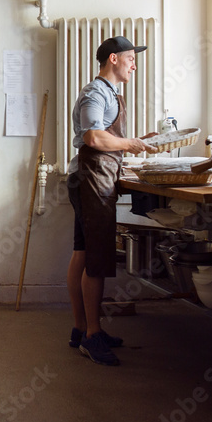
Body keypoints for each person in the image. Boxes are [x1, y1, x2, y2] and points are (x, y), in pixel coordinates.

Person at [66, 36, 156, 366]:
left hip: (91, 179)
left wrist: (137, 142)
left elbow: (106, 136)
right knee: (97, 258)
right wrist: (128, 143)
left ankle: (81, 329)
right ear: (114, 59)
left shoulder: (109, 93)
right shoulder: (96, 92)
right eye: (131, 58)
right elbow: (92, 136)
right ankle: (92, 335)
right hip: (93, 181)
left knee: (83, 252)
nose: (135, 64)